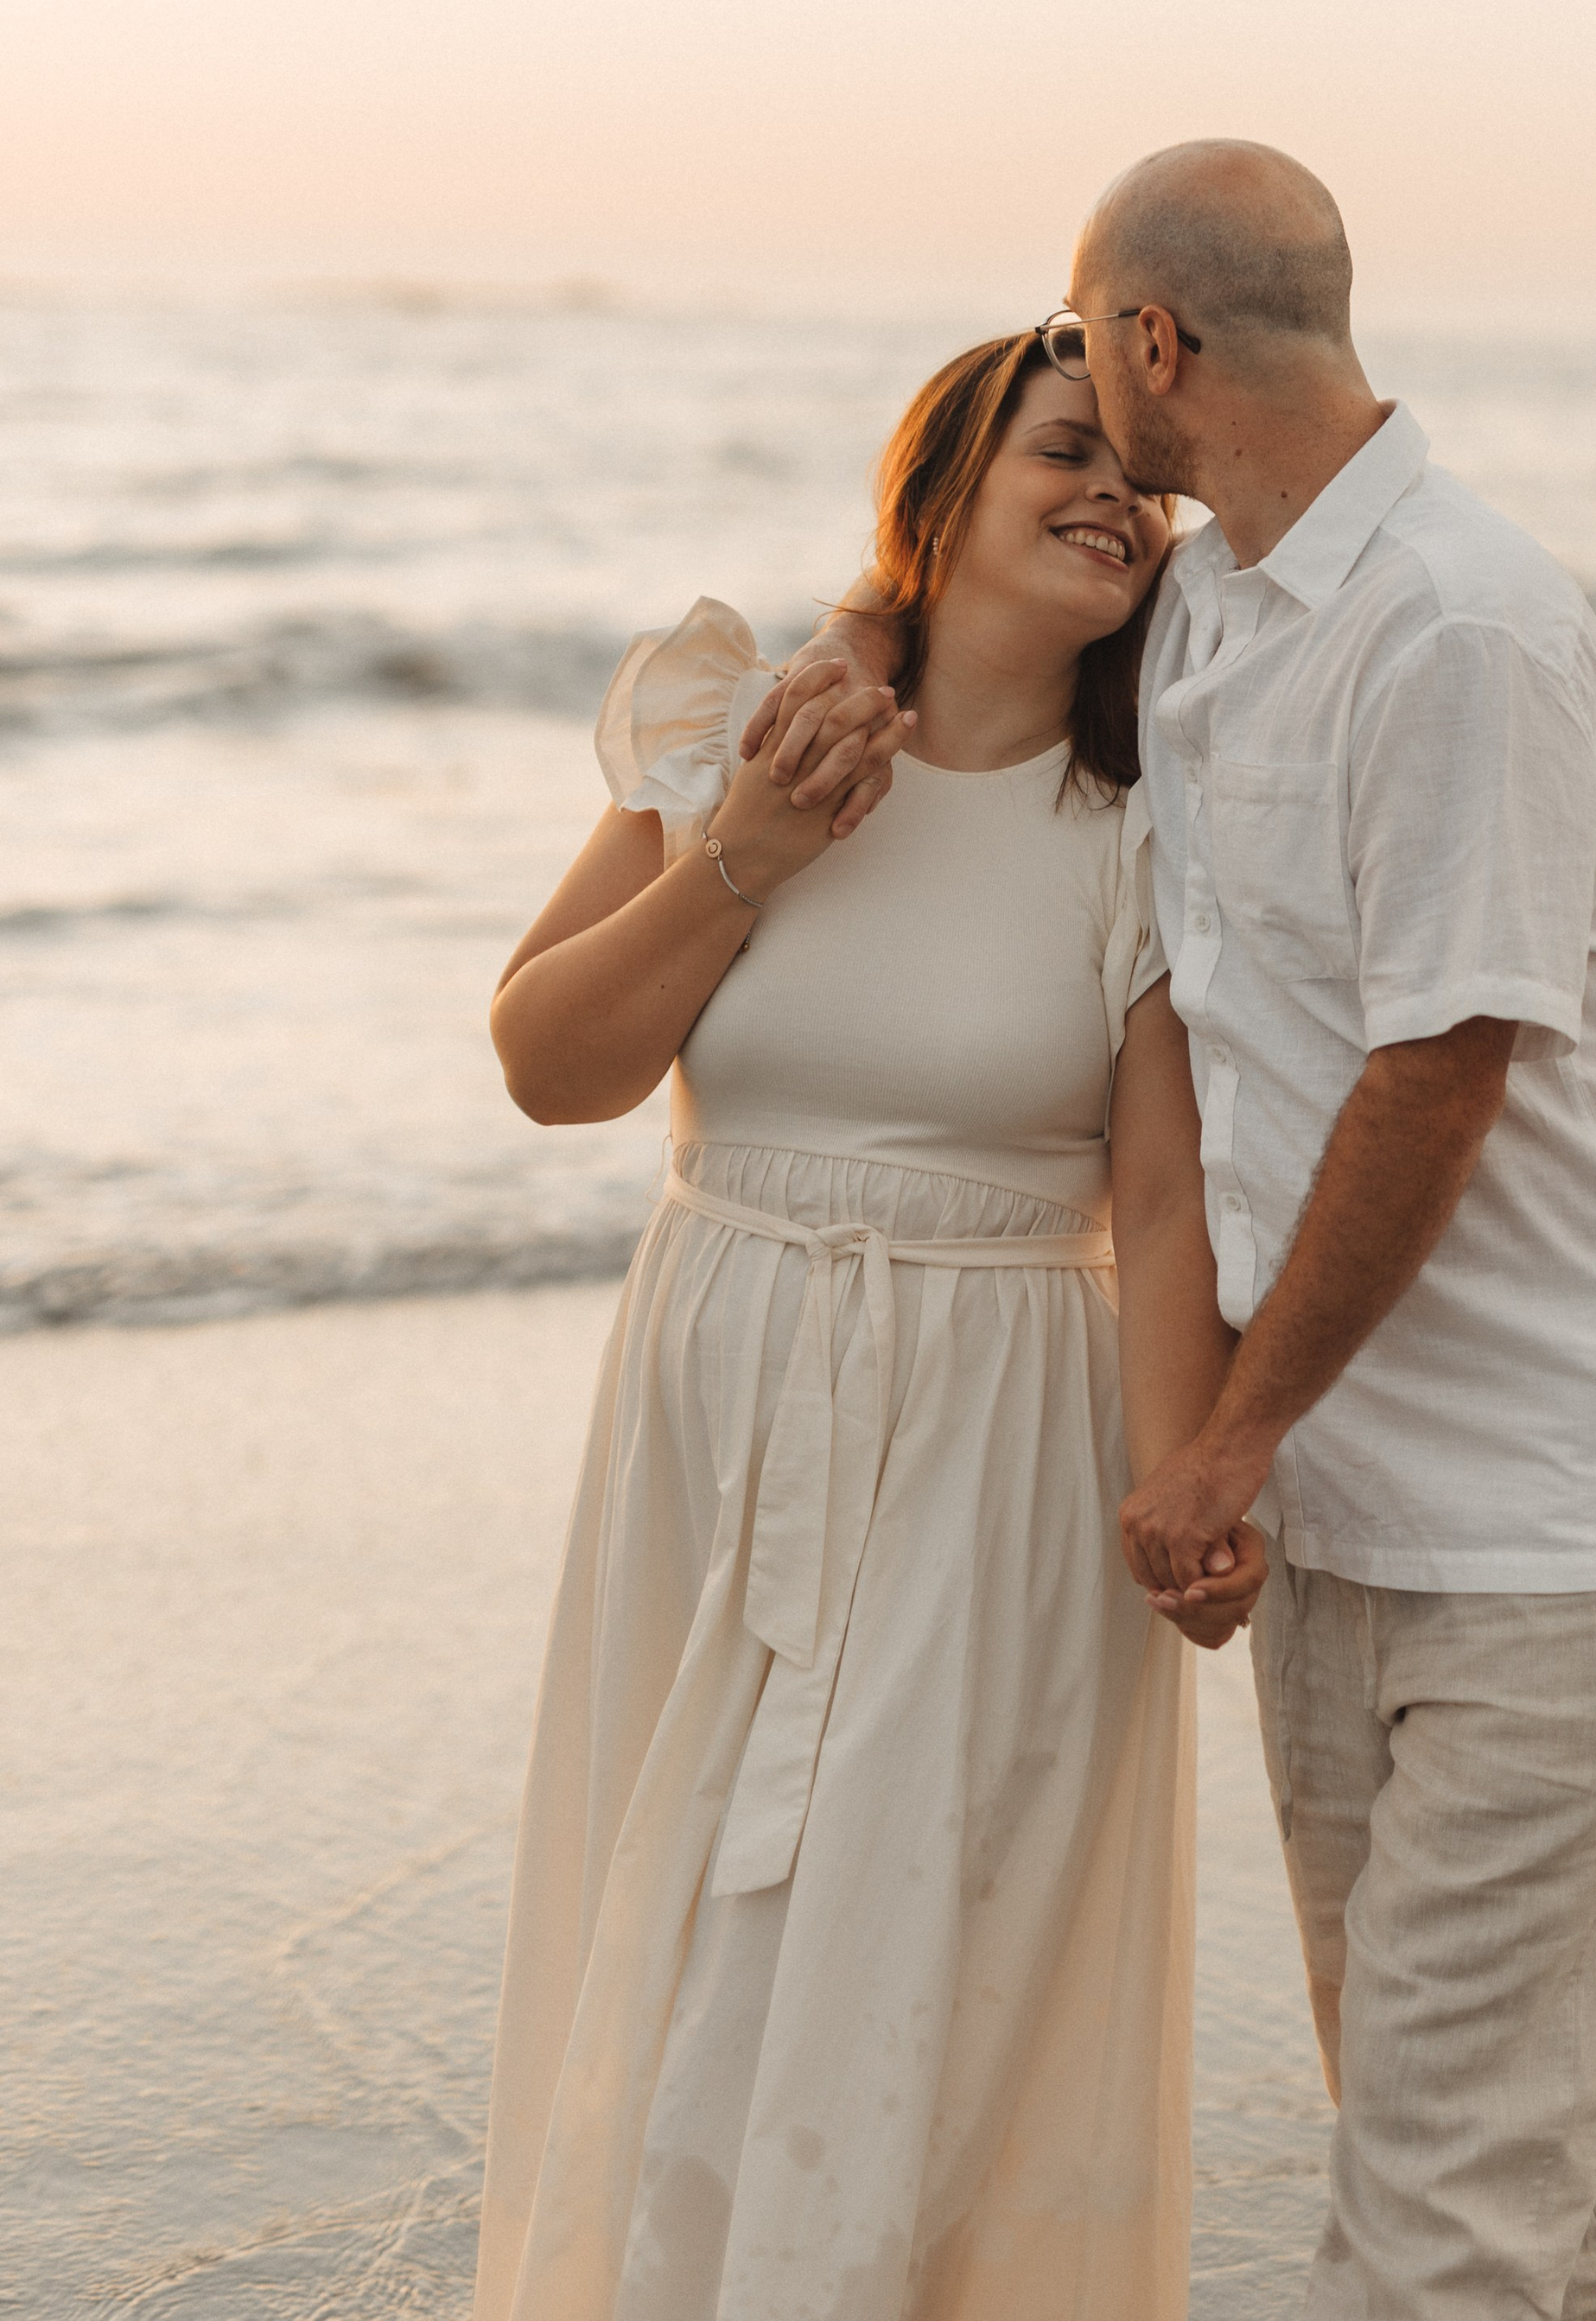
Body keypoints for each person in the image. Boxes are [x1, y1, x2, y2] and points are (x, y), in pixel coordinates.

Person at [763, 143, 1596, 2321]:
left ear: (1154, 344)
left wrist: (1213, 1440)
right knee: (1479, 2164)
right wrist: (858, 624)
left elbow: (1440, 1079)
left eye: (1084, 335)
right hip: (1342, 1508)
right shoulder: (1223, 597)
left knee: (1437, 2212)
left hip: (1555, 1509)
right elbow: (986, 626)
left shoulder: (1461, 629)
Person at [473, 333, 1264, 2321]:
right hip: (720, 1403)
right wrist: (744, 851)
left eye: (1141, 479)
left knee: (887, 1990)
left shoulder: (1143, 825)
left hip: (995, 1445)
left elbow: (1159, 1199)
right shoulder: (741, 727)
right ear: (938, 493)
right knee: (683, 1947)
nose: (1116, 498)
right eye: (1064, 455)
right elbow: (550, 1063)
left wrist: (1192, 1479)